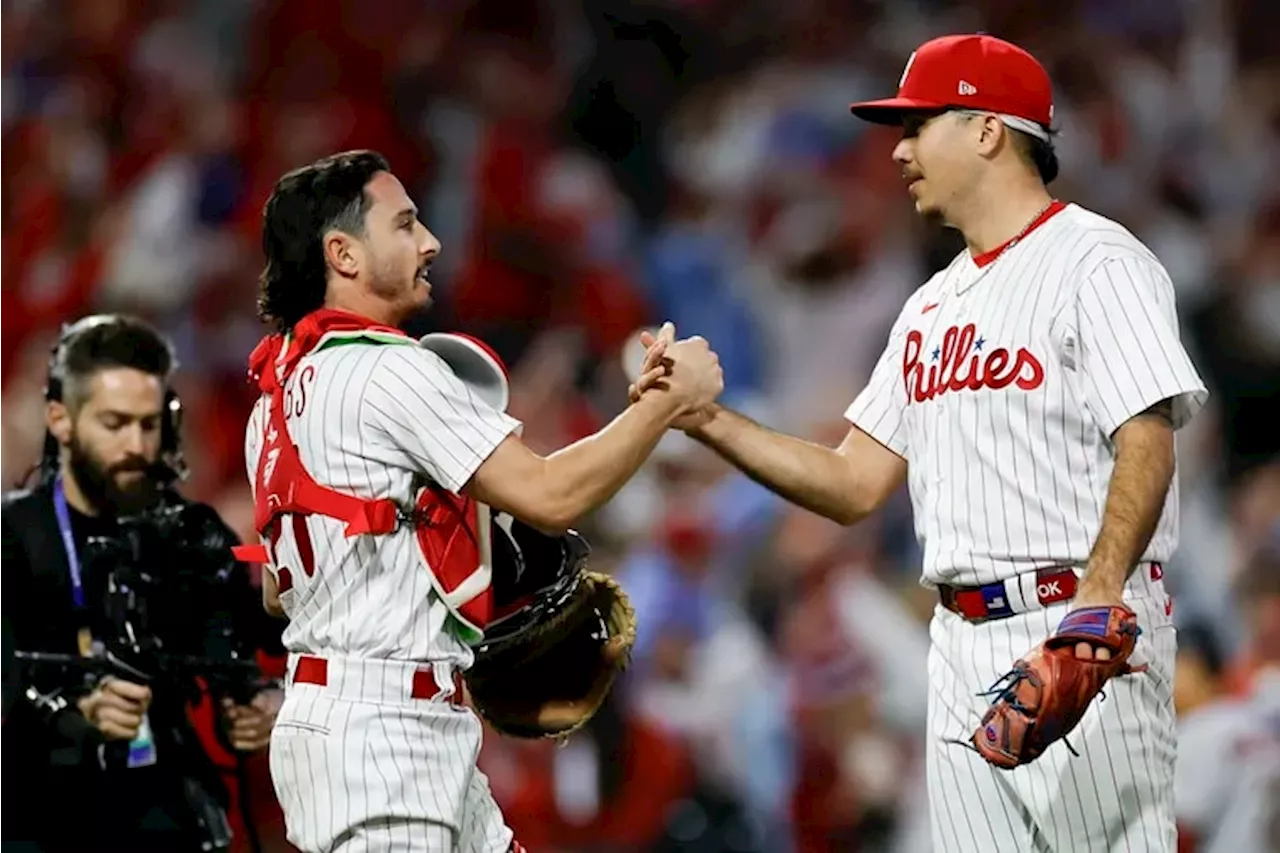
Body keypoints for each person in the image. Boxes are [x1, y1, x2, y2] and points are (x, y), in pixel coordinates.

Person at [633, 33, 1208, 852]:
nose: (898, 149)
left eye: (918, 124)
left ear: (987, 130)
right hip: (958, 646)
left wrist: (1097, 598)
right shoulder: (929, 308)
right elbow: (852, 481)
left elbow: (1147, 436)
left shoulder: (1099, 261)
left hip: (1079, 633)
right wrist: (707, 421)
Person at [243, 149, 721, 853]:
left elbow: (277, 592)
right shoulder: (390, 369)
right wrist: (664, 406)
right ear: (342, 254)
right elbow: (551, 495)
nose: (430, 241)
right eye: (404, 224)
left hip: (363, 722)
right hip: (387, 735)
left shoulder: (275, 401)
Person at [0, 314, 286, 852]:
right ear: (60, 421)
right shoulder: (14, 542)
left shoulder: (195, 540)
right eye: (114, 424)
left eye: (149, 425)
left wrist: (264, 710)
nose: (135, 445)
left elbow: (268, 661)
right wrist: (71, 712)